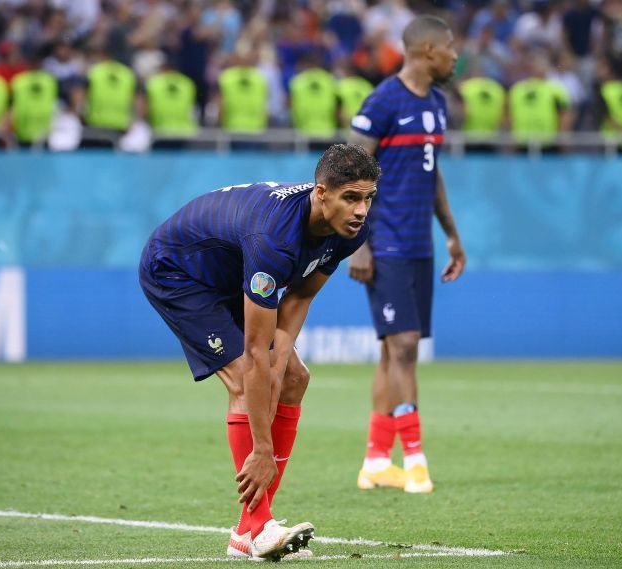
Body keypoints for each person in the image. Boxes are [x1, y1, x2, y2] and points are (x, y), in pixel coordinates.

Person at [138, 144, 380, 560]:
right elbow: (253, 354)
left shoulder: (348, 231)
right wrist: (262, 449)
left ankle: (249, 532)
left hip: (233, 274)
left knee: (293, 378)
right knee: (243, 380)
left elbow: (301, 295)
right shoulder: (273, 239)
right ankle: (259, 525)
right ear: (321, 193)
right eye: (351, 198)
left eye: (368, 198)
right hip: (179, 272)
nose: (361, 210)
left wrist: (281, 358)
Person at [347, 15, 465, 494]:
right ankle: (414, 459)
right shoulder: (382, 101)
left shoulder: (437, 104)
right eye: (451, 47)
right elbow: (348, 172)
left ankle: (376, 462)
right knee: (405, 346)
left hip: (421, 243)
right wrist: (359, 242)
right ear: (427, 51)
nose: (456, 55)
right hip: (387, 242)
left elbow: (431, 174)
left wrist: (452, 235)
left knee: (390, 351)